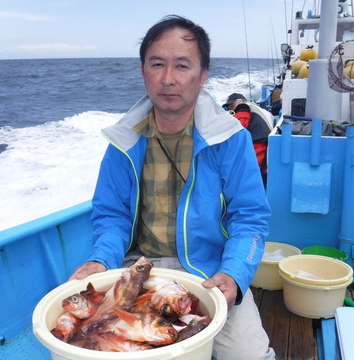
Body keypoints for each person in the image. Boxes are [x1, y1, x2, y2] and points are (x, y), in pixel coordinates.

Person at [68, 15, 275, 360]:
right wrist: (101, 259)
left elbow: (250, 218)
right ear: (142, 71)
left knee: (250, 355)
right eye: (157, 64)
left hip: (210, 270)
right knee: (90, 339)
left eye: (182, 65)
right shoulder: (123, 141)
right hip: (137, 269)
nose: (168, 79)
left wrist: (234, 273)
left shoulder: (231, 140)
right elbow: (111, 215)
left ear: (203, 75)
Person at [223, 93, 273, 186]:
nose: (231, 109)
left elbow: (238, 130)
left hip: (258, 143)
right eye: (229, 107)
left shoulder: (243, 109)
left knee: (251, 173)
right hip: (268, 141)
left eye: (232, 105)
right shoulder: (259, 109)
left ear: (242, 100)